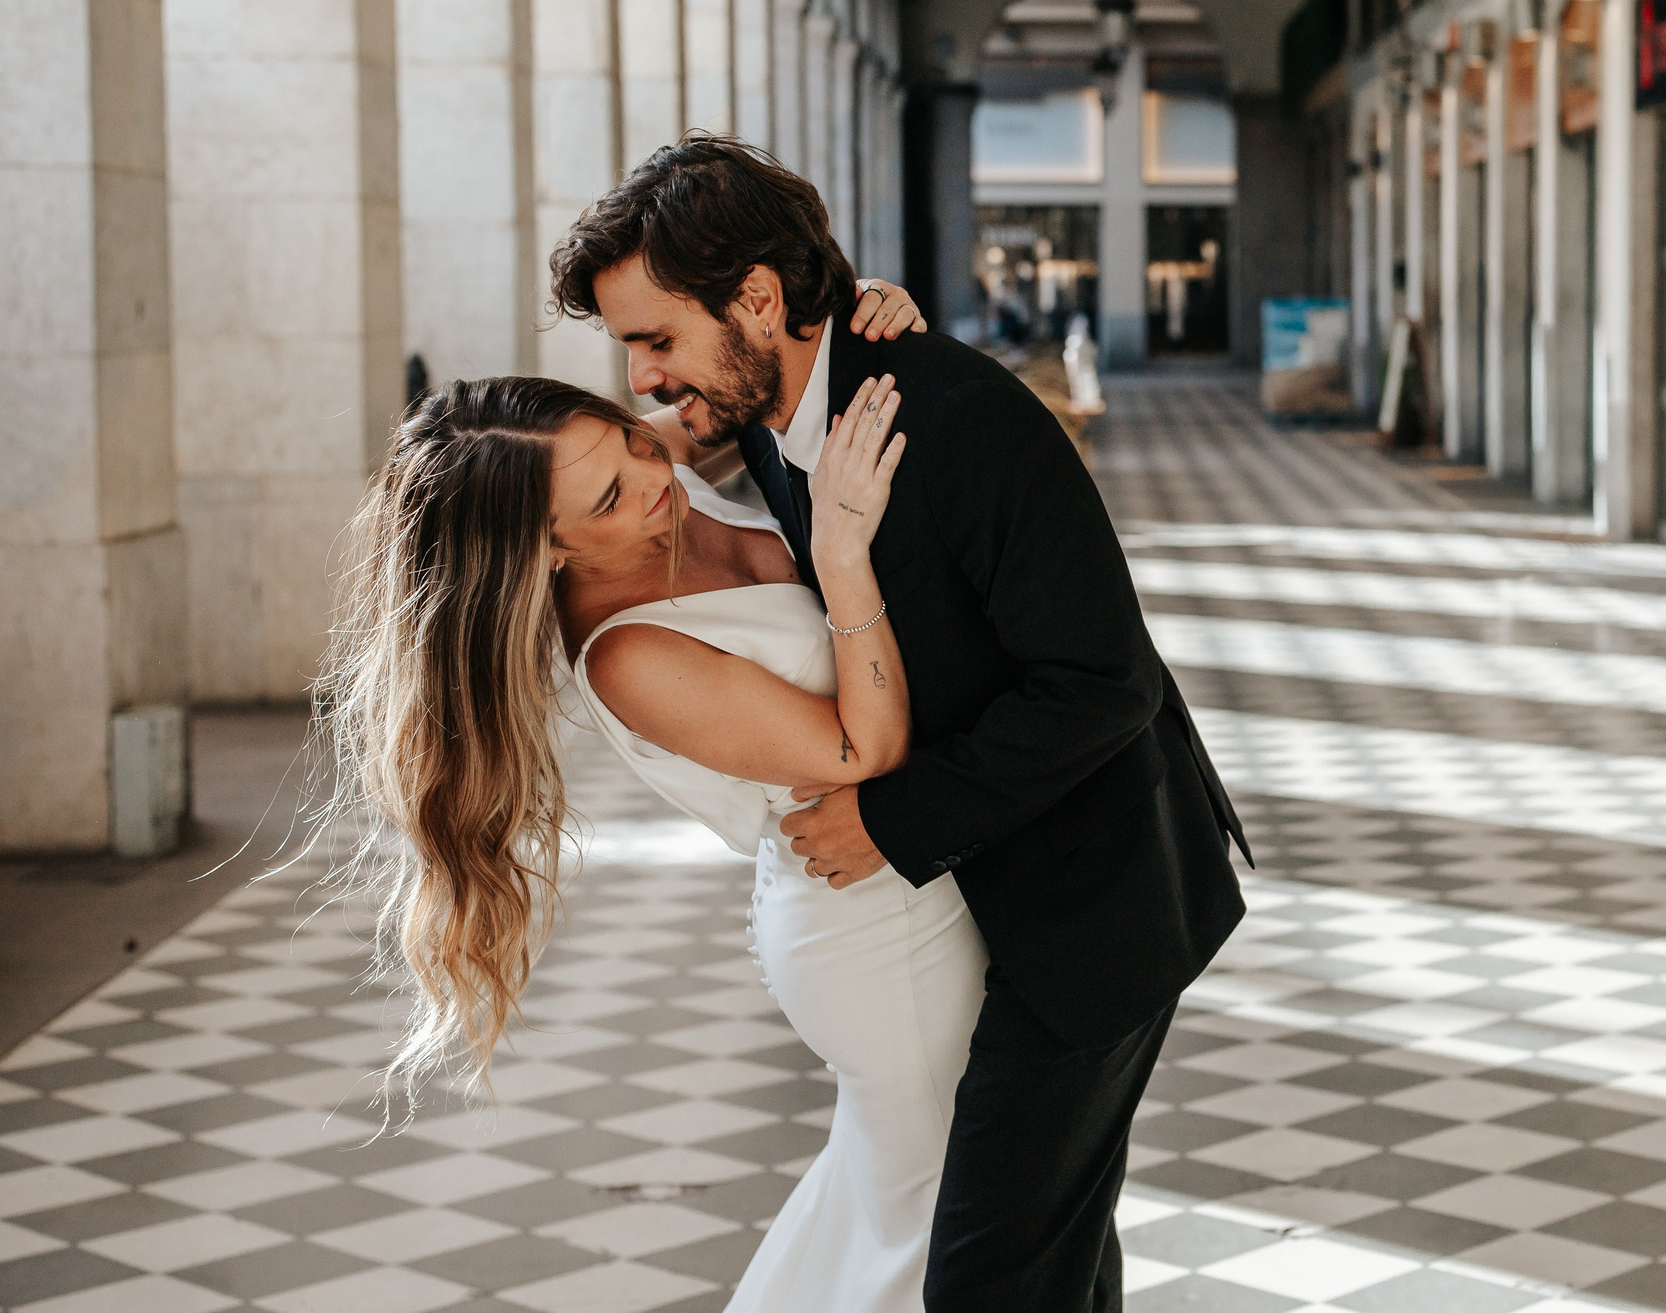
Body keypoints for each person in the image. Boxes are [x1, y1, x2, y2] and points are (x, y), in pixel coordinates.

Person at [548, 133, 1249, 1311]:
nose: (647, 379)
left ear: (755, 299)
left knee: (985, 1281)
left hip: (1090, 904)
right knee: (1054, 1261)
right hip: (980, 910)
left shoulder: (960, 418)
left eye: (656, 340)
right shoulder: (766, 405)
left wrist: (892, 819)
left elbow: (1102, 684)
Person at [318, 277, 967, 1312]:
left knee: (905, 1203)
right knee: (936, 1215)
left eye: (626, 441)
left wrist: (862, 319)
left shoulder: (641, 465)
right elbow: (867, 746)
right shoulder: (628, 658)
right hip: (872, 931)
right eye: (608, 501)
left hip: (918, 868)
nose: (651, 476)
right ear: (546, 552)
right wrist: (841, 554)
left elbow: (758, 380)